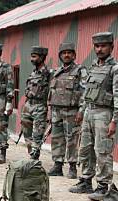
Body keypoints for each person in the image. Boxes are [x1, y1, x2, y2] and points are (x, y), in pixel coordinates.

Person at [70, 32, 118, 200]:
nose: (100, 49)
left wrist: (114, 120)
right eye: (97, 46)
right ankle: (86, 181)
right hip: (89, 111)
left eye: (103, 46)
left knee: (102, 150)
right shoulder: (94, 67)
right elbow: (87, 91)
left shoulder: (116, 69)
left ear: (111, 47)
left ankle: (103, 186)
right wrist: (81, 110)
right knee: (85, 148)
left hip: (104, 113)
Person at [48, 42, 87, 179]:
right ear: (60, 55)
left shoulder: (80, 71)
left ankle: (72, 167)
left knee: (72, 139)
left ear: (74, 55)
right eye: (64, 53)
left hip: (72, 111)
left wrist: (81, 111)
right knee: (57, 138)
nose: (66, 55)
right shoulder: (56, 72)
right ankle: (57, 165)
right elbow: (52, 92)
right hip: (56, 110)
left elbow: (85, 92)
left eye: (69, 53)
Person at [20, 46, 50, 160]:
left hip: (40, 106)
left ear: (42, 57)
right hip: (28, 105)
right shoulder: (33, 73)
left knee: (37, 134)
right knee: (26, 132)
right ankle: (30, 153)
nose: (32, 59)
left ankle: (35, 156)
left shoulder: (48, 73)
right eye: (31, 56)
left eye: (34, 57)